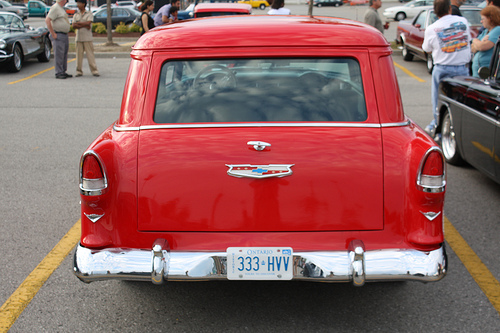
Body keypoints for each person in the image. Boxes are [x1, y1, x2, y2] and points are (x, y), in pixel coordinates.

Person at [422, 0, 471, 137]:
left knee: (438, 100)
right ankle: (459, 126)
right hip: (462, 68)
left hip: (442, 68)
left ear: (435, 11)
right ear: (450, 8)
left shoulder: (432, 28)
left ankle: (438, 126)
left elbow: (426, 48)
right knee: (461, 99)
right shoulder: (463, 22)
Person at [72, 0, 99, 77]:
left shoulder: (89, 13)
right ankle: (79, 71)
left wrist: (79, 23)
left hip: (87, 38)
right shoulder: (76, 14)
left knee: (90, 55)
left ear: (83, 4)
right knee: (78, 56)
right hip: (78, 38)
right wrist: (83, 25)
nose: (78, 5)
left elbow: (88, 23)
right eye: (77, 3)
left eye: (79, 3)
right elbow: (74, 25)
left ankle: (94, 70)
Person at [45, 0, 71, 79]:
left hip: (64, 34)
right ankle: (58, 72)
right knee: (59, 54)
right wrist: (53, 33)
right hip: (58, 34)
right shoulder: (55, 7)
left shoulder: (61, 8)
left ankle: (63, 70)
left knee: (63, 54)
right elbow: (47, 20)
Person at [471, 6, 500, 77]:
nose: (481, 21)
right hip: (479, 74)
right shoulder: (485, 32)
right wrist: (476, 41)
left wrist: (478, 43)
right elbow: (472, 48)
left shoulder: (497, 30)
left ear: (490, 19)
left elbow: (482, 47)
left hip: (488, 74)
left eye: (483, 19)